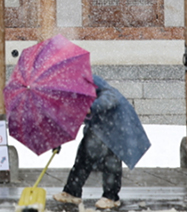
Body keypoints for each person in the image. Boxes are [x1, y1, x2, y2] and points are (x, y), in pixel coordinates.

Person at [53, 75, 150, 210]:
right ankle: (72, 191)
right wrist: (57, 140)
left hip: (115, 122)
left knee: (111, 159)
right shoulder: (67, 94)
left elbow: (111, 96)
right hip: (98, 125)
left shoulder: (86, 79)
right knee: (84, 155)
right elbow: (68, 119)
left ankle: (111, 197)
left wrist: (91, 107)